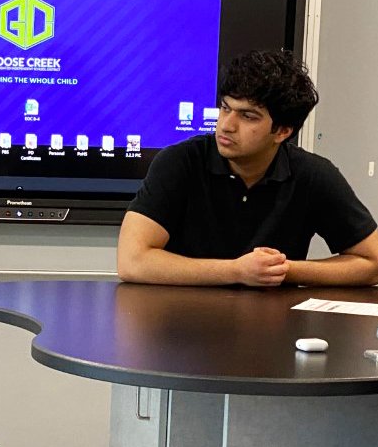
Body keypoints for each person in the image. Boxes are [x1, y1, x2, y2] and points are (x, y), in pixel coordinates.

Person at [117, 50, 378, 287]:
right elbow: (132, 261)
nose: (227, 125)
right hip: (178, 326)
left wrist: (282, 270)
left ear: (282, 131)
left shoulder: (312, 174)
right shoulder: (179, 161)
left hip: (273, 326)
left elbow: (373, 262)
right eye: (225, 108)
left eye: (248, 116)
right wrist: (236, 271)